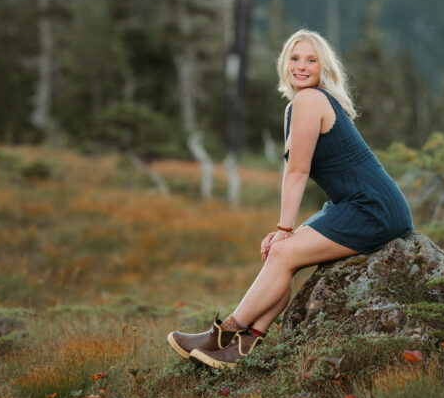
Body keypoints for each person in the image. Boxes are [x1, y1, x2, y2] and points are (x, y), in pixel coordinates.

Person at [167, 29, 414, 368]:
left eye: (311, 60)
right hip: (351, 204)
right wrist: (283, 233)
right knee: (279, 254)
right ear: (285, 64)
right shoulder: (296, 106)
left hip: (373, 207)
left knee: (282, 249)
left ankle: (223, 333)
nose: (301, 66)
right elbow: (297, 172)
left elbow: (297, 172)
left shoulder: (311, 100)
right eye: (295, 59)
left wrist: (284, 229)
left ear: (322, 67)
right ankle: (239, 348)